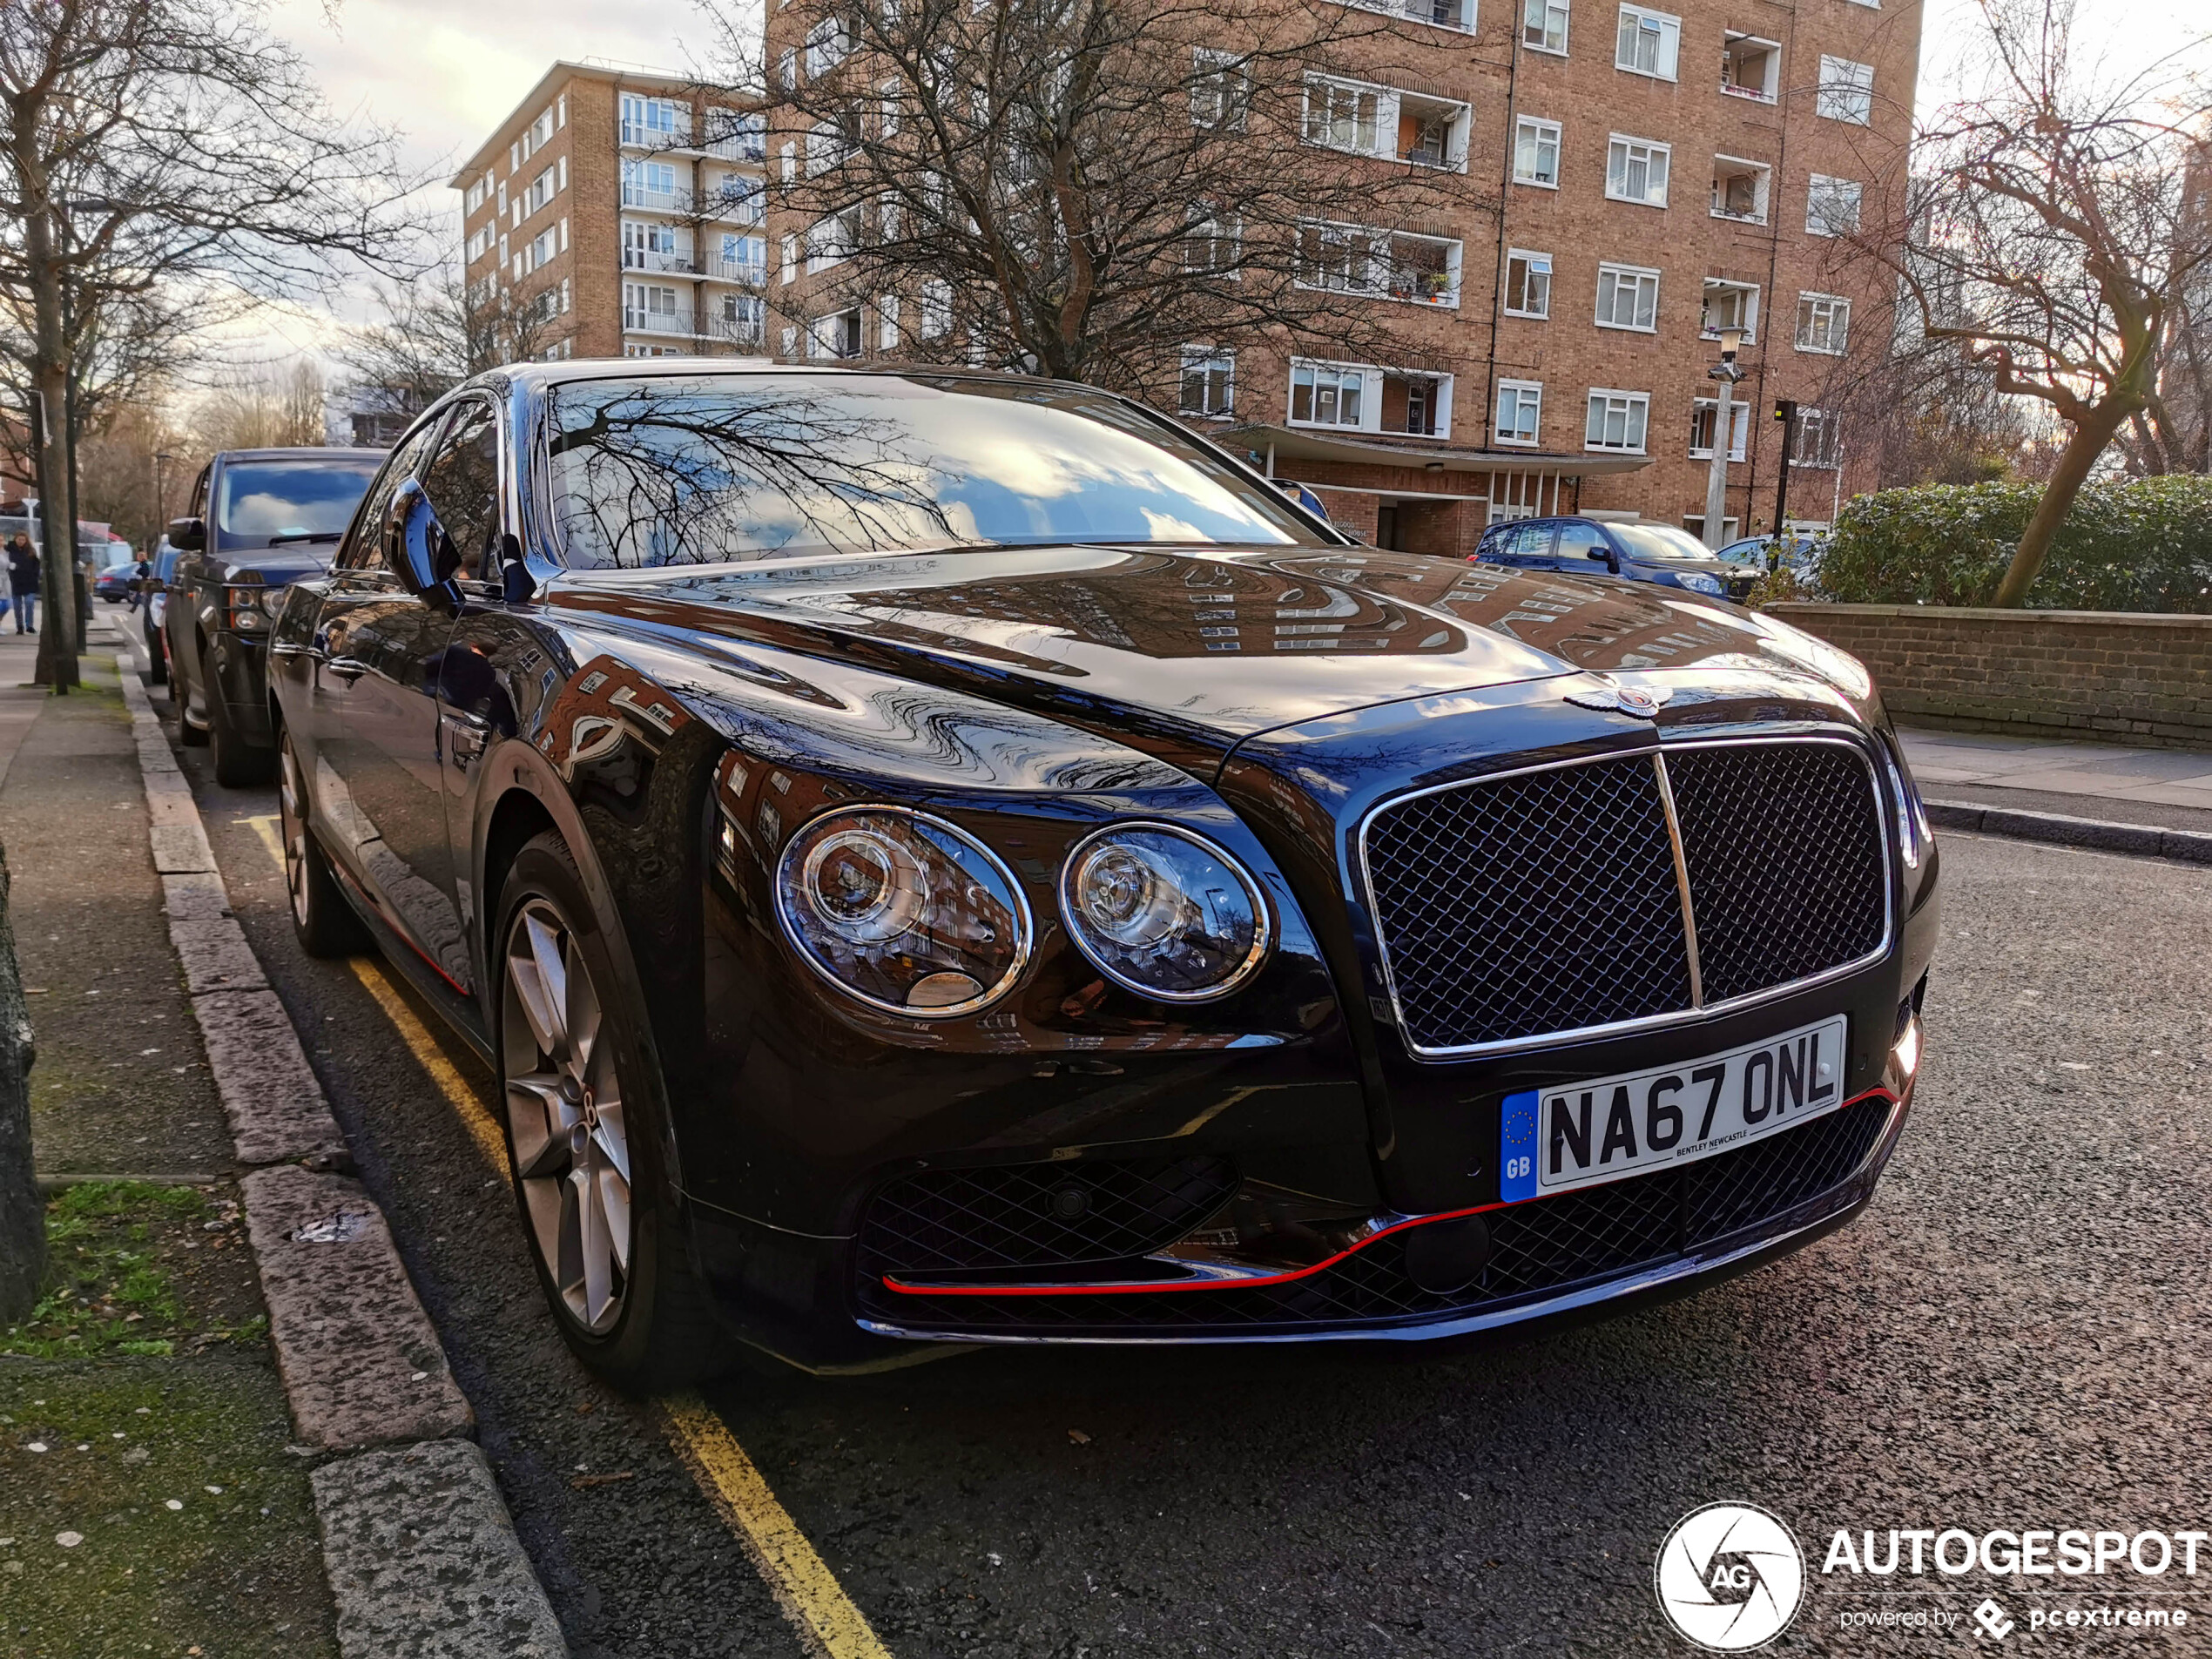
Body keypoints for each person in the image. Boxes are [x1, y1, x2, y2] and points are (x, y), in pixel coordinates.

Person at [5, 535, 36, 635]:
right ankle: (19, 626)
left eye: (23, 540)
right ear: (15, 540)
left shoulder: (30, 551)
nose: (21, 541)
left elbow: (36, 564)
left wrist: (35, 574)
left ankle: (29, 625)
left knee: (29, 602)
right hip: (16, 581)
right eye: (19, 539)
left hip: (29, 581)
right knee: (17, 605)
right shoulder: (9, 550)